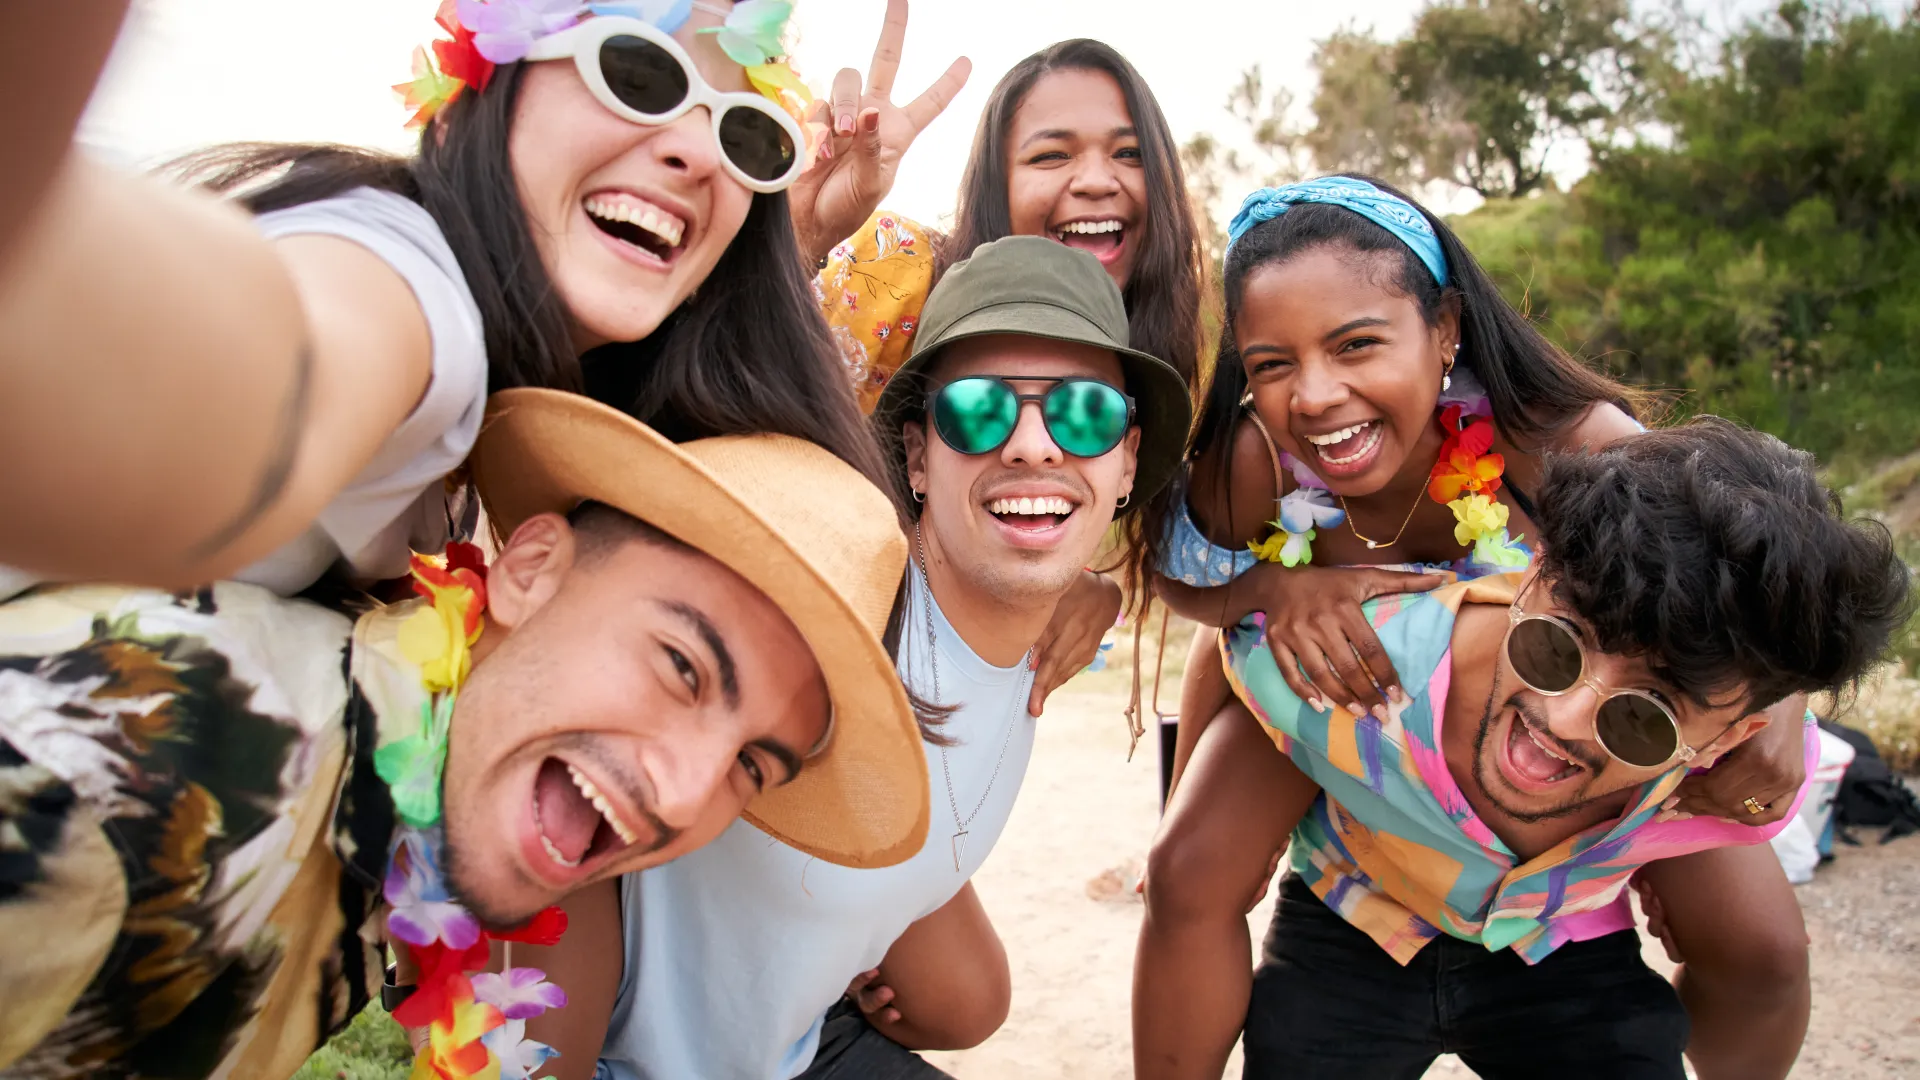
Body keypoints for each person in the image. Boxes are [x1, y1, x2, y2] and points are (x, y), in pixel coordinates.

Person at [0, 390, 931, 1080]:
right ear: (529, 568)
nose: (685, 796)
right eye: (682, 666)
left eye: (748, 767)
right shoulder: (137, 771)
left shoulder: (384, 821)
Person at [1134, 176, 1822, 1078]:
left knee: (1764, 947)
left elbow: (1747, 561)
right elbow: (1181, 578)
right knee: (1186, 871)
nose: (1315, 394)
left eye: (1357, 345)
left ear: (1446, 327)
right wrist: (1269, 587)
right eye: (1271, 364)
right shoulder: (1256, 461)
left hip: (1565, 707)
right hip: (1353, 691)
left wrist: (1780, 709)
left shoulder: (1562, 439)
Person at [0, 0, 964, 599]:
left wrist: (790, 239)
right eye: (637, 73)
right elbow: (265, 387)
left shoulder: (508, 367)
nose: (696, 151)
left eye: (748, 135)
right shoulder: (409, 293)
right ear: (489, 85)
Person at [515, 237, 1190, 1080]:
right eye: (978, 410)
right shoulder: (828, 613)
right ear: (915, 455)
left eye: (1084, 413)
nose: (1033, 446)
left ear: (1125, 460)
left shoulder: (1035, 651)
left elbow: (918, 842)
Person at [1166, 419, 1910, 1079]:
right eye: (1556, 647)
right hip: (1355, 913)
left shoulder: (1748, 770)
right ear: (1533, 580)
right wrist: (1177, 814)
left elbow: (1763, 959)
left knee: (1767, 955)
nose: (1566, 717)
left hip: (1561, 942)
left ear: (1731, 735)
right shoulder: (1359, 665)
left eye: (1644, 716)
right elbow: (1231, 644)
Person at [810, 37, 1208, 720]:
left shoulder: (1155, 354)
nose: (1094, 180)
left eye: (1128, 153)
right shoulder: (894, 271)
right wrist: (799, 228)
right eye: (1051, 155)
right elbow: (723, 360)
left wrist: (1082, 580)